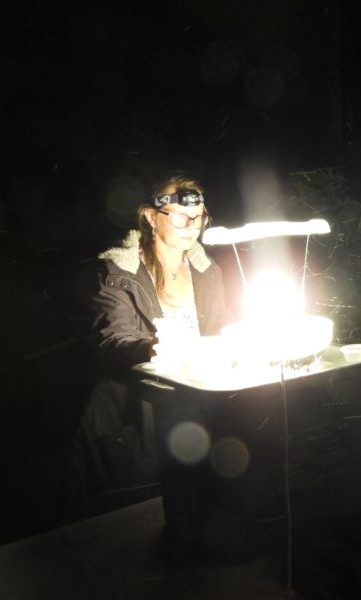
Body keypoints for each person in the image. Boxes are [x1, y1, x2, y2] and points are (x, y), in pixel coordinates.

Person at [69, 172, 234, 518]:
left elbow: (224, 329)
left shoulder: (207, 271)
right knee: (137, 518)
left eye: (199, 217)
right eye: (179, 216)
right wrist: (150, 350)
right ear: (150, 216)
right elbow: (112, 341)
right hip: (135, 415)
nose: (192, 224)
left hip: (196, 409)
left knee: (197, 505)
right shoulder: (119, 272)